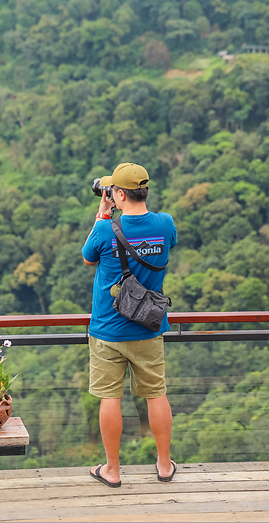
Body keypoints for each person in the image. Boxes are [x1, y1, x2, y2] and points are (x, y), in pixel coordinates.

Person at [81, 162, 177, 488]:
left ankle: (112, 469)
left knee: (110, 398)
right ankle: (164, 465)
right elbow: (167, 245)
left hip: (108, 329)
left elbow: (88, 258)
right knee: (156, 394)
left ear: (118, 194)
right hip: (149, 326)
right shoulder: (165, 224)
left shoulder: (106, 229)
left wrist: (102, 214)